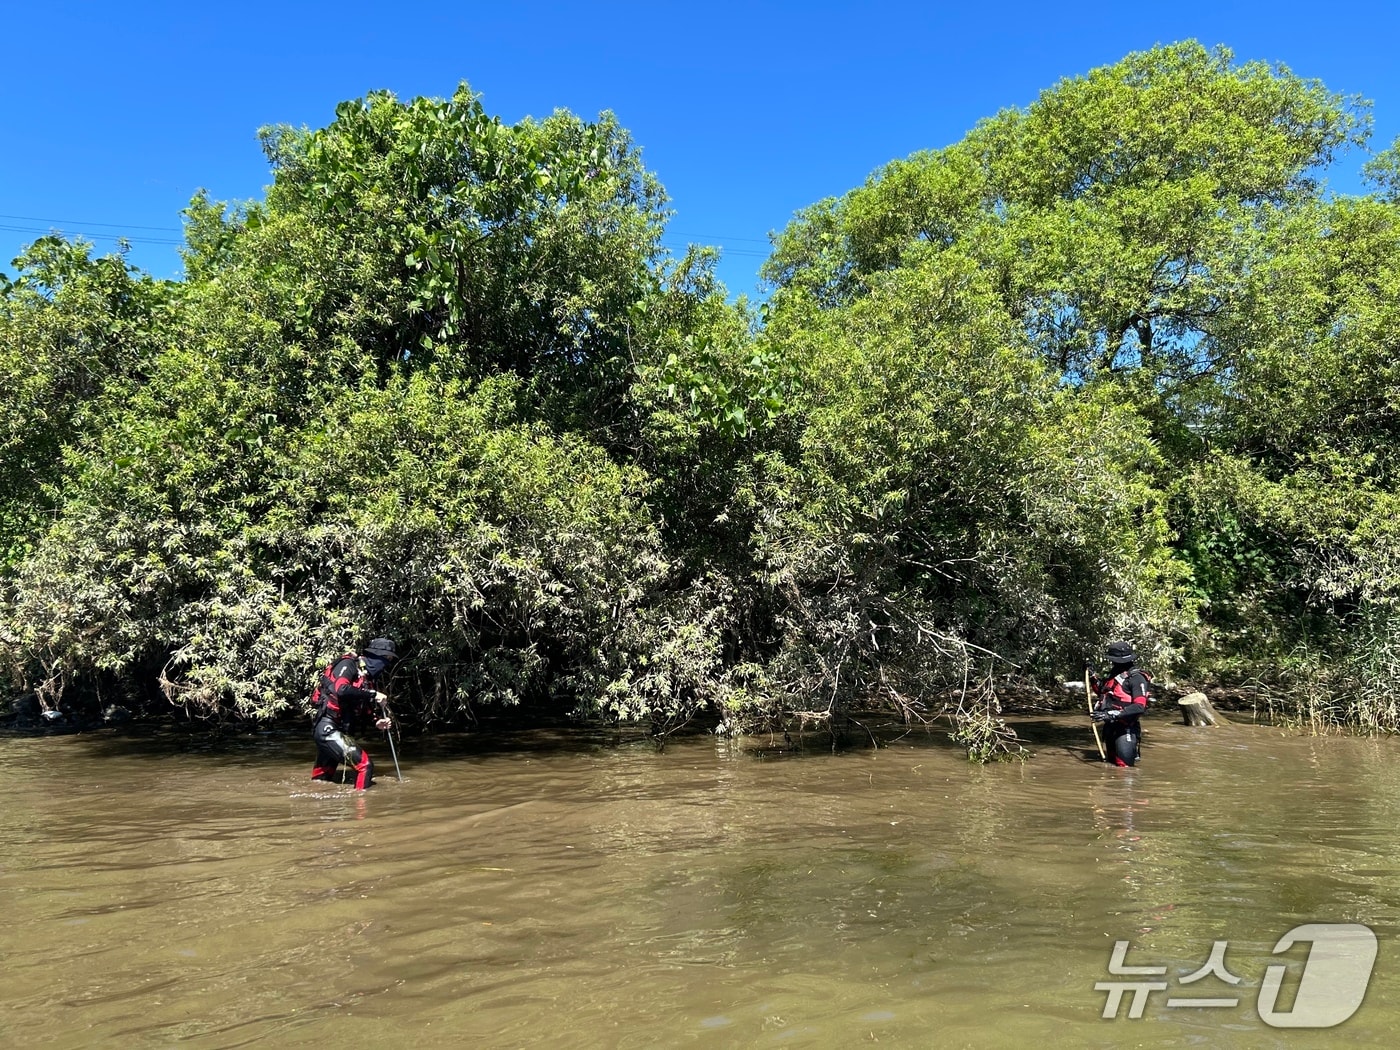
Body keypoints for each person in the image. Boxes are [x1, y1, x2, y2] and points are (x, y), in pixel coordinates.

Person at [309, 638, 398, 789]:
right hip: (327, 729)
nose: (386, 665)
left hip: (339, 731)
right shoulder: (349, 664)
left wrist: (376, 721)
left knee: (321, 781)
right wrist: (373, 694)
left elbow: (362, 708)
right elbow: (341, 689)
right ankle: (362, 808)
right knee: (365, 765)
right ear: (376, 656)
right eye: (386, 659)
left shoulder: (366, 679)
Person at [1090, 640, 1150, 767]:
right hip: (1110, 727)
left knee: (1124, 770)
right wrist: (1092, 677)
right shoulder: (1114, 675)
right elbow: (1102, 691)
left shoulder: (1136, 678)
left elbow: (1140, 707)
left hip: (1126, 728)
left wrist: (1114, 714)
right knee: (1111, 766)